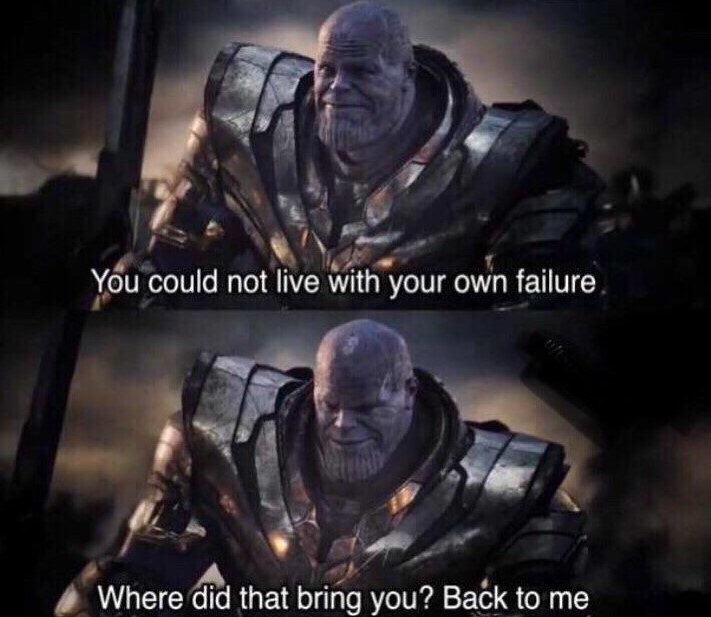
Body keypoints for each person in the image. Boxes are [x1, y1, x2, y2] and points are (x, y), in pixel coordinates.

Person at [55, 319, 586, 615]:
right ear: (314, 390)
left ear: (409, 393)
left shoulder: (515, 496)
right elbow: (136, 584)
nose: (343, 426)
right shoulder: (222, 440)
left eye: (367, 408)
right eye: (331, 405)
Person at [120, 1, 604, 308]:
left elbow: (547, 302)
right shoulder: (247, 122)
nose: (336, 88)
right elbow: (162, 269)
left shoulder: (512, 163)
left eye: (362, 71)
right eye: (327, 70)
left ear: (407, 75)